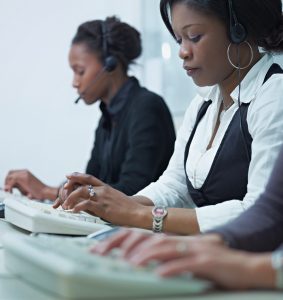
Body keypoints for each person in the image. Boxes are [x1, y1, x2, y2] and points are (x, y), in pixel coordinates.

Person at [54, 0, 283, 235]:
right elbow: (176, 186)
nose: (182, 52)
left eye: (194, 37)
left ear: (239, 30)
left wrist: (138, 214)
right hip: (209, 251)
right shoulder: (203, 104)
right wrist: (113, 204)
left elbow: (261, 211)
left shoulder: (274, 96)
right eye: (179, 40)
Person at [4, 16, 176, 199]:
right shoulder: (107, 117)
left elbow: (133, 191)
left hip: (146, 226)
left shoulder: (147, 107)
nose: (74, 82)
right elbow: (90, 182)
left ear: (111, 65)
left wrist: (47, 191)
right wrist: (53, 193)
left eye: (80, 71)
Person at [92, 141, 283, 290]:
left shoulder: (271, 101)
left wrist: (253, 268)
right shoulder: (202, 103)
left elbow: (253, 206)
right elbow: (272, 209)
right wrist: (213, 241)